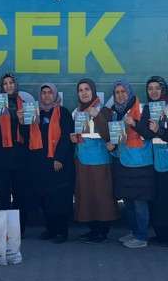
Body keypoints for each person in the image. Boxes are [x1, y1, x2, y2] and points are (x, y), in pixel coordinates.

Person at [71, 78, 120, 243]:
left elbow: (109, 135)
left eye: (87, 89)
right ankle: (92, 229)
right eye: (80, 90)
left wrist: (97, 116)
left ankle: (102, 231)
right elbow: (80, 135)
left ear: (93, 91)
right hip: (82, 160)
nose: (84, 93)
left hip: (100, 161)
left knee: (102, 196)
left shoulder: (104, 111)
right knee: (86, 196)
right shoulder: (76, 112)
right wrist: (74, 139)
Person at [108, 79, 155, 249]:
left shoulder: (143, 109)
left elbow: (149, 134)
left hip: (140, 163)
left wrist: (134, 123)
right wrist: (112, 146)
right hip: (123, 161)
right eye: (117, 92)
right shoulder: (115, 112)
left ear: (130, 92)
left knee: (139, 203)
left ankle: (141, 236)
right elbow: (118, 138)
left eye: (123, 92)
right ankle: (134, 232)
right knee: (128, 201)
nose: (120, 95)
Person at [28, 83, 75, 243]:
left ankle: (62, 231)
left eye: (50, 92)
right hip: (39, 163)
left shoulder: (63, 112)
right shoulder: (35, 113)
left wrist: (59, 158)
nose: (46, 95)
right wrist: (25, 122)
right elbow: (27, 136)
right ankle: (51, 229)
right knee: (44, 197)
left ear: (55, 95)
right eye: (44, 93)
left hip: (58, 163)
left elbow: (66, 137)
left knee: (60, 197)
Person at [0, 73, 35, 229]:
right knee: (1, 195)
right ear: (1, 87)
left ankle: (18, 229)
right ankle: (0, 230)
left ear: (16, 85)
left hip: (19, 157)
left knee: (20, 195)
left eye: (11, 83)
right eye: (5, 83)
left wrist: (22, 123)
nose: (8, 86)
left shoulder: (25, 105)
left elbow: (30, 136)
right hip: (1, 157)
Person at [143, 75, 168, 246]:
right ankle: (159, 233)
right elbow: (144, 132)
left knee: (167, 200)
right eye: (150, 89)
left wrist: (159, 130)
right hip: (151, 160)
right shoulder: (148, 109)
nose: (154, 92)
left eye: (157, 88)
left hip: (167, 160)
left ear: (163, 90)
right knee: (155, 199)